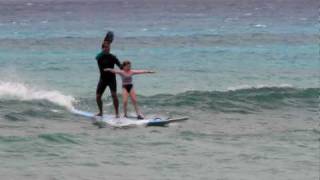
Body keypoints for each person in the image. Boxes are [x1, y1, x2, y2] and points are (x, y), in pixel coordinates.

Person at [95, 31, 121, 117]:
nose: (109, 48)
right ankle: (101, 112)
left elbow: (120, 66)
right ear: (103, 48)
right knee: (98, 96)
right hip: (103, 79)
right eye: (106, 47)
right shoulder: (99, 57)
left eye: (109, 47)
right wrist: (105, 43)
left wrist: (125, 68)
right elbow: (96, 57)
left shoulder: (113, 57)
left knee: (114, 95)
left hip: (111, 79)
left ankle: (117, 113)